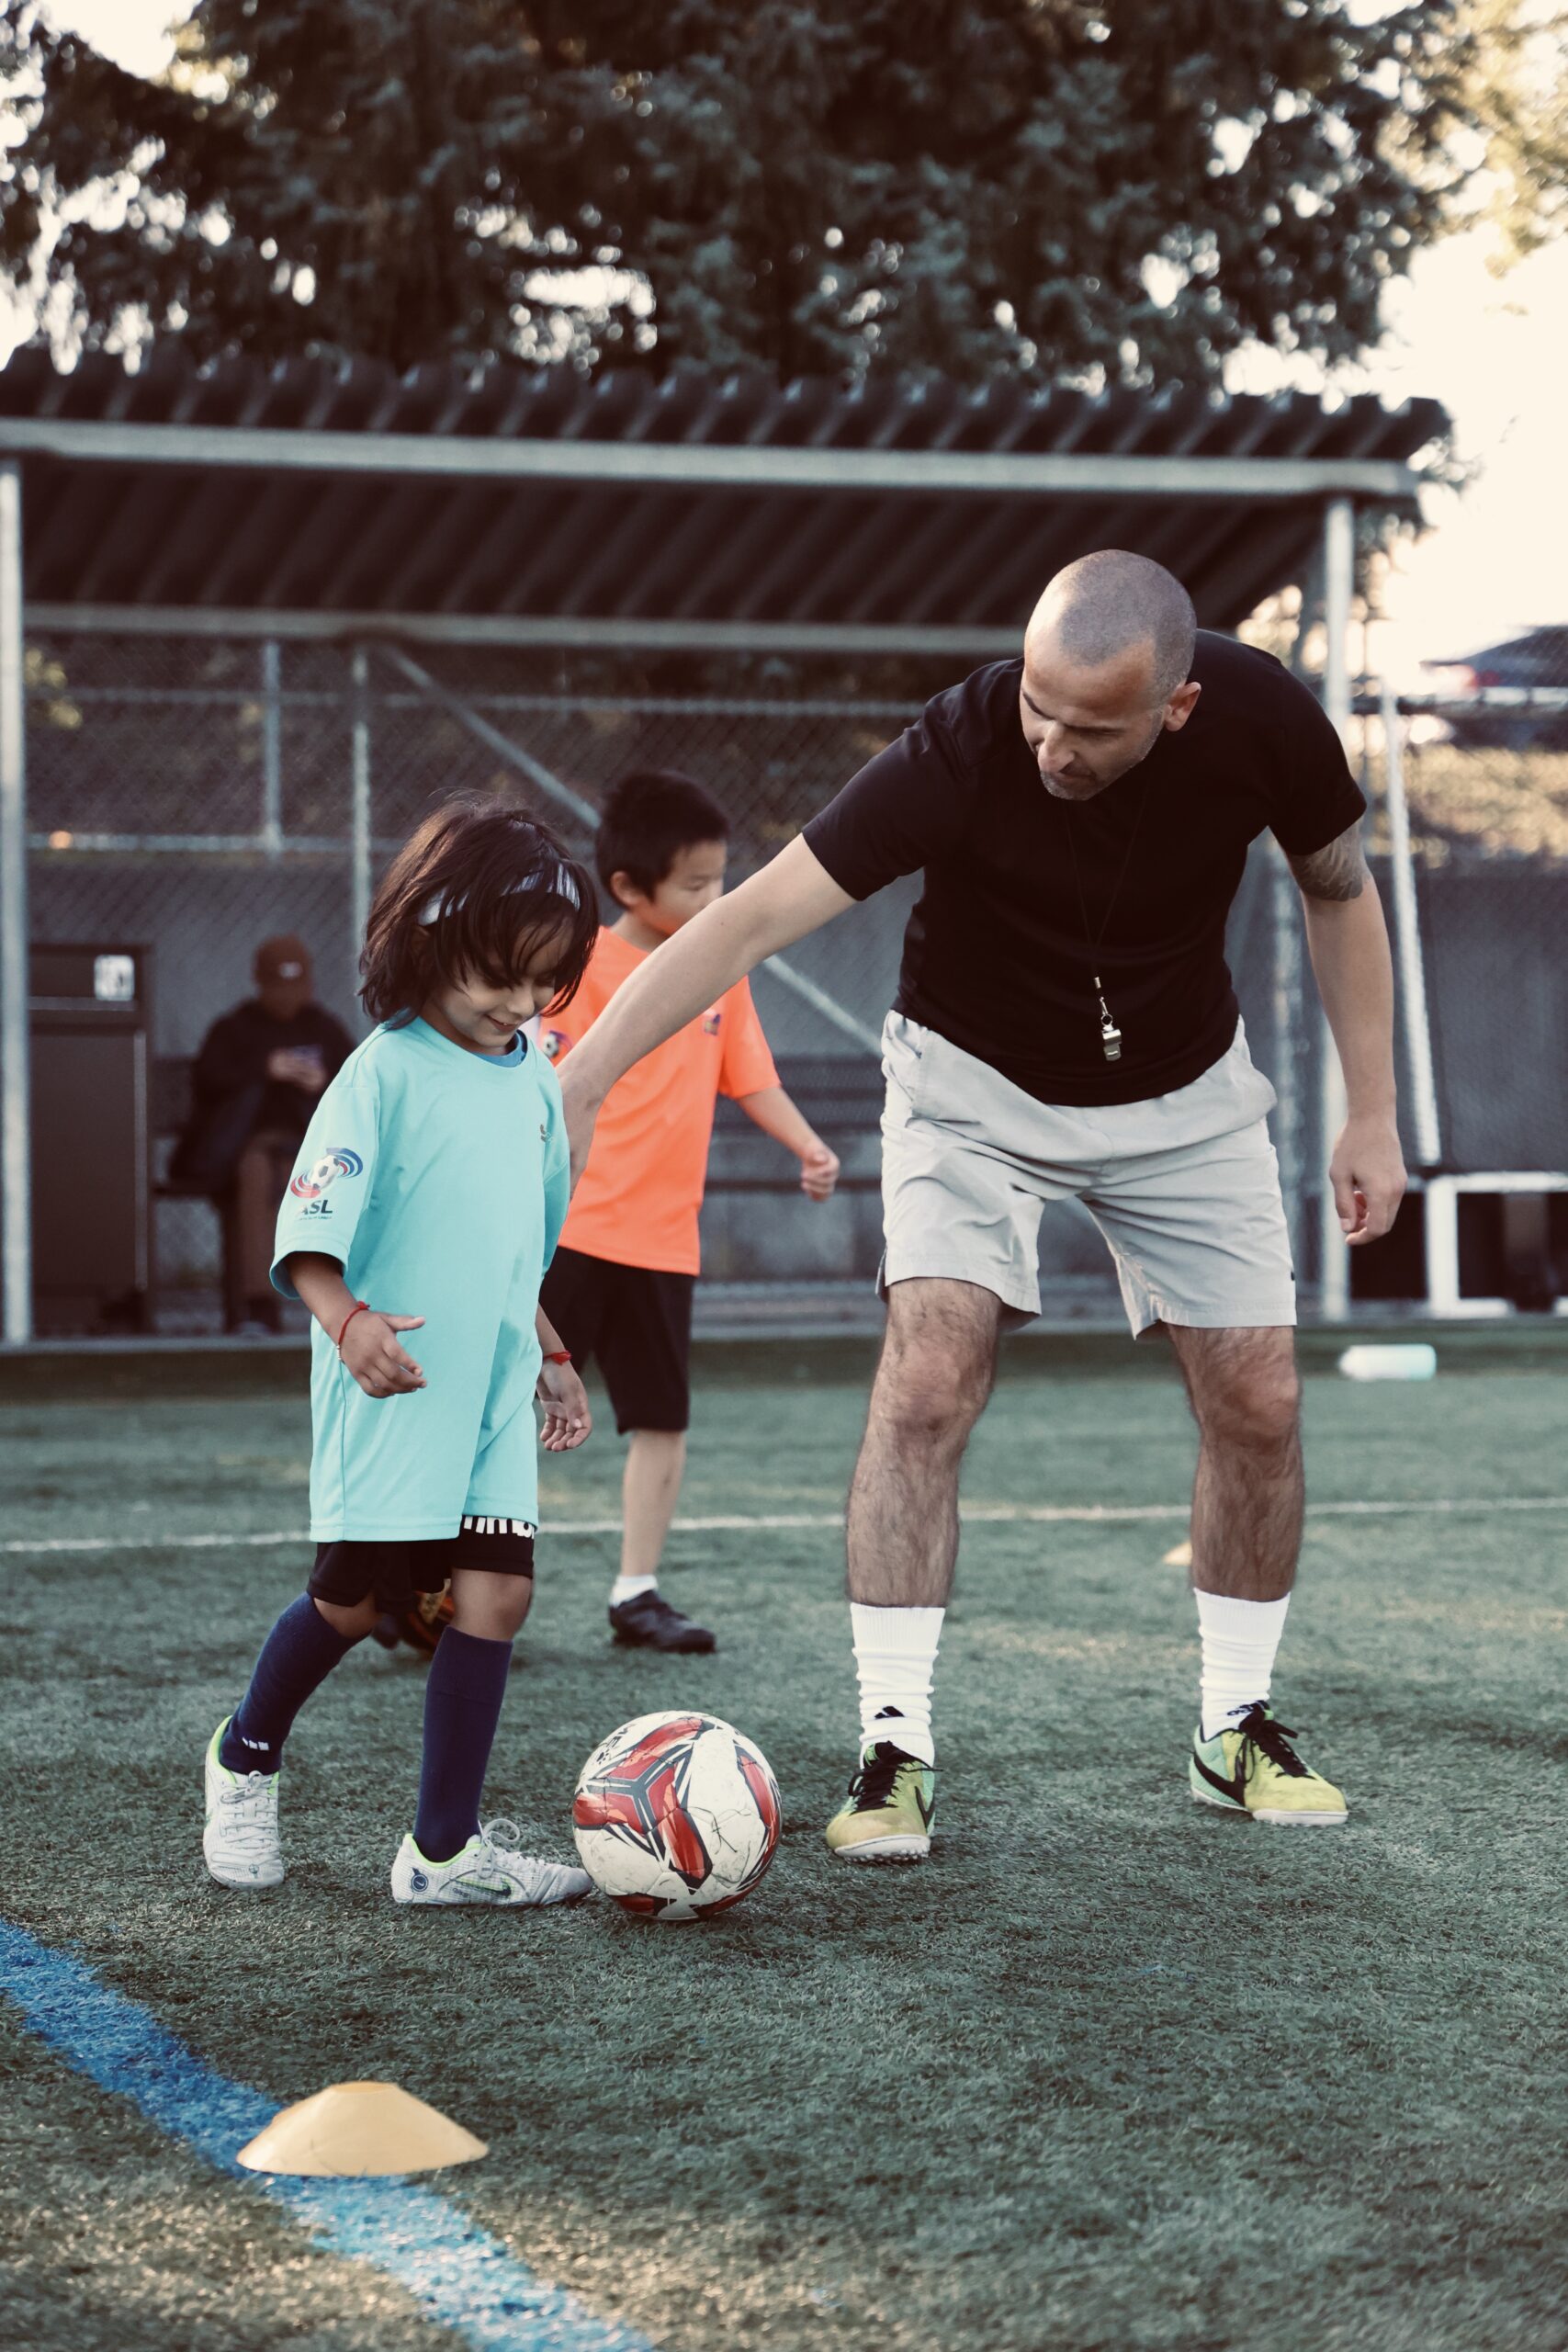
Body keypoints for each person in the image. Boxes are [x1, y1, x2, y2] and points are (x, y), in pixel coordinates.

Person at [558, 552, 1407, 1862]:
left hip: (1183, 1091)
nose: (1050, 744)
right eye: (1038, 708)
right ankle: (893, 1748)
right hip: (968, 1087)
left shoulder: (1262, 722)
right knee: (927, 1379)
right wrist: (581, 1080)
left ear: (1172, 708)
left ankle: (1232, 1727)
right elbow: (742, 926)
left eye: (1090, 728)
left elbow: (1337, 891)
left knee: (1259, 1400)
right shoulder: (956, 750)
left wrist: (1369, 1109)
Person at [202, 796, 602, 1907]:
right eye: (499, 977)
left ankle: (441, 1853)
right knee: (350, 1605)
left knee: (497, 1598)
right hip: (394, 1384)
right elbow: (309, 1233)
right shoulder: (378, 1073)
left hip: (489, 1393)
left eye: (544, 981)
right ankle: (243, 1754)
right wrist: (349, 1323)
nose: (520, 1004)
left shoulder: (532, 1073)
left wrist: (551, 1350)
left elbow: (518, 1244)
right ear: (428, 939)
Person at [539, 768, 840, 1654]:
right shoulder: (579, 964)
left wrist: (808, 1145)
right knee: (514, 1408)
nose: (720, 899)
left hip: (665, 1240)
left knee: (661, 1419)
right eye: (699, 886)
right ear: (630, 888)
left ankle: (638, 1592)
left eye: (723, 880)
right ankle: (458, 1574)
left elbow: (750, 1075)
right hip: (572, 1230)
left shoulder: (723, 970)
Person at [175, 936, 355, 1333]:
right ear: (260, 983)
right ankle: (259, 1304)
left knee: (304, 1176)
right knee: (257, 1173)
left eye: (296, 985)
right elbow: (207, 1081)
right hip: (244, 1152)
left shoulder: (323, 1028)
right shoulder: (236, 1027)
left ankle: (324, 1302)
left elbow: (357, 1086)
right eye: (278, 986)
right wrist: (264, 1068)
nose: (288, 996)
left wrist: (321, 1082)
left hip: (309, 1148)